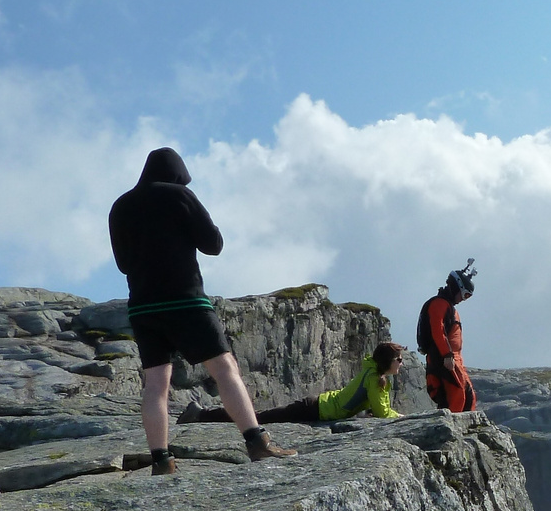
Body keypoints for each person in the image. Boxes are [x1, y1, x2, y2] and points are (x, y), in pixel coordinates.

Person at [109, 147, 297, 475]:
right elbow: (213, 244)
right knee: (225, 370)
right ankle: (257, 441)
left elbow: (123, 264)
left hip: (142, 307)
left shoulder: (120, 206)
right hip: (186, 300)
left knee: (155, 386)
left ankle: (162, 460)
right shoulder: (180, 195)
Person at [181, 342, 407, 426]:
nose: (401, 363)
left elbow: (379, 409)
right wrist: (404, 419)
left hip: (317, 407)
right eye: (399, 359)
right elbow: (382, 413)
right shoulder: (374, 380)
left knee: (259, 418)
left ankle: (202, 415)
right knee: (256, 418)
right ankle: (201, 414)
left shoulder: (374, 375)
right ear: (388, 361)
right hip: (315, 410)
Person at [416, 260, 477, 412]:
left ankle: (465, 429)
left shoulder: (449, 307)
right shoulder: (439, 304)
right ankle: (450, 430)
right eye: (464, 294)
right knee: (456, 394)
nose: (463, 299)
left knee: (468, 396)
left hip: (455, 358)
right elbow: (437, 329)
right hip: (443, 356)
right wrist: (446, 354)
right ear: (456, 287)